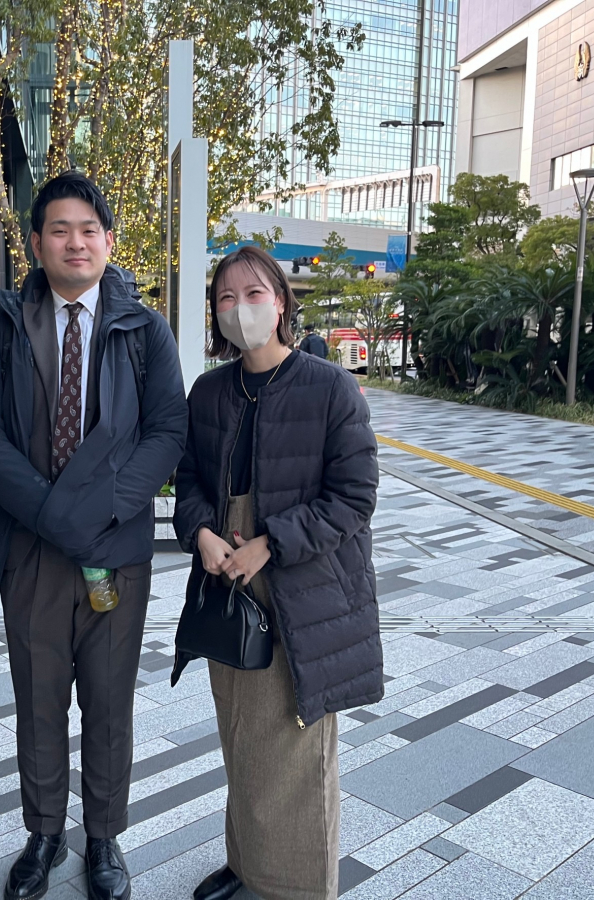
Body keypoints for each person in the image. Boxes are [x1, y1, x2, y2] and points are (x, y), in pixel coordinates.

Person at [0, 171, 187, 900]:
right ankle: (44, 834)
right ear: (36, 243)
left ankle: (104, 837)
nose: (75, 242)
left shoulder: (144, 329)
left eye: (89, 230)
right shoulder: (2, 327)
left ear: (109, 241)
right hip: (31, 551)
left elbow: (168, 431)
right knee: (38, 699)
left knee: (109, 702)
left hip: (115, 550)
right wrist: (52, 516)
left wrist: (103, 511)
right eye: (60, 229)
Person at [173, 245, 382, 900]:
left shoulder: (329, 387)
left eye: (254, 294)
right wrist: (201, 532)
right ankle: (248, 865)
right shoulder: (210, 391)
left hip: (303, 584)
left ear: (283, 301)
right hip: (227, 580)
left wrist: (272, 542)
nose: (241, 309)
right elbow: (189, 480)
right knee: (241, 736)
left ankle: (302, 885)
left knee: (296, 744)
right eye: (226, 298)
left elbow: (355, 497)